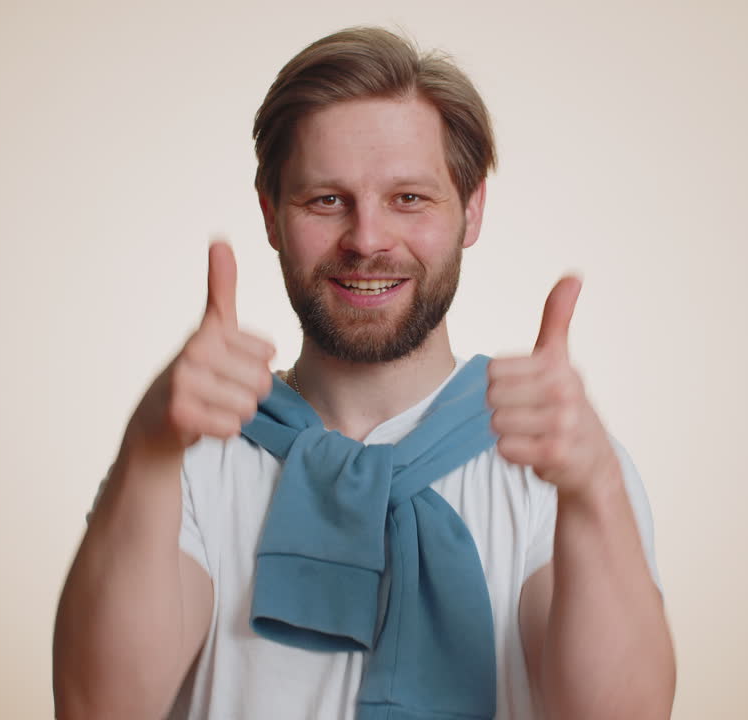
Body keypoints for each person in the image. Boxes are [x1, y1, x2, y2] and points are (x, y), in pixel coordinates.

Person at [53, 26, 675, 720]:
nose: (368, 240)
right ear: (271, 215)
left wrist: (592, 489)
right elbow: (98, 708)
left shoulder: (560, 461)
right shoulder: (184, 454)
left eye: (409, 198)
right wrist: (147, 450)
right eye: (326, 200)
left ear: (471, 209)